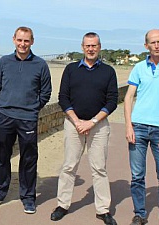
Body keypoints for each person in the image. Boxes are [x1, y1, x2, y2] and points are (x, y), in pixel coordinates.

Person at [51, 32, 118, 225]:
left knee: (99, 168)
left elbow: (112, 100)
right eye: (87, 45)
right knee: (69, 166)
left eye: (94, 46)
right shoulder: (71, 69)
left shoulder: (108, 71)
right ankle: (62, 205)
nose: (91, 49)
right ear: (82, 47)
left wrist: (92, 122)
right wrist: (77, 121)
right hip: (73, 125)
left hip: (99, 126)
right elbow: (63, 97)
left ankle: (103, 209)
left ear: (99, 47)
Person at [0, 26, 52, 214]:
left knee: (29, 159)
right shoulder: (4, 62)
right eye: (19, 40)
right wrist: (5, 105)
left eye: (26, 40)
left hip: (28, 119)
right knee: (0, 157)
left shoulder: (40, 65)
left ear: (32, 42)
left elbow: (46, 92)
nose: (22, 44)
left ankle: (28, 197)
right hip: (6, 117)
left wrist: (32, 108)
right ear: (14, 40)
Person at [124, 29, 159, 225]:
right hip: (138, 128)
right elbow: (128, 97)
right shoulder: (139, 68)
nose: (156, 45)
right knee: (137, 176)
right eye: (152, 42)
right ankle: (140, 214)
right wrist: (128, 126)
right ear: (146, 45)